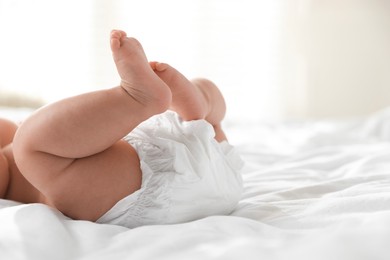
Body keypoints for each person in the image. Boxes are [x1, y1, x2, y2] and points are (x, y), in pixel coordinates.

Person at [0, 30, 243, 228]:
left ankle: (197, 101)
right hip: (217, 182)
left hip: (195, 165)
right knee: (28, 143)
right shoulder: (18, 166)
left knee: (203, 94)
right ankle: (142, 99)